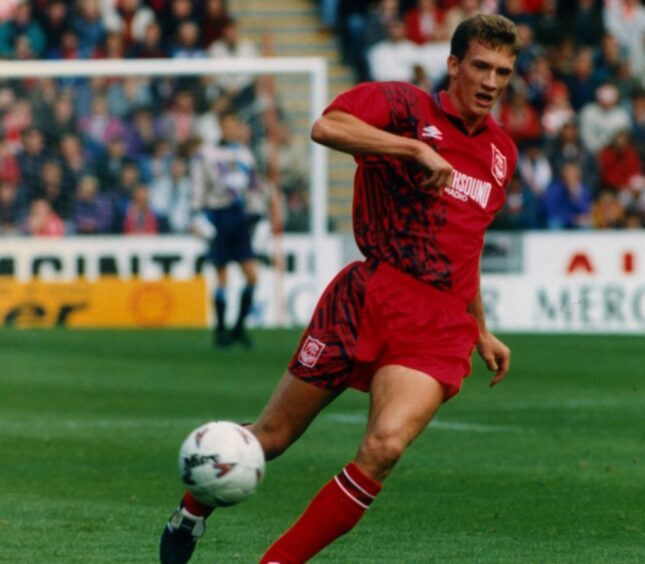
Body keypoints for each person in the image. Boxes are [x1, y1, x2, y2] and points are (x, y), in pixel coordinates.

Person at [160, 14, 519, 563]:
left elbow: (464, 247)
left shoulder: (501, 156)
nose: (491, 82)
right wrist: (410, 150)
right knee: (272, 437)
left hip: (438, 324)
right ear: (453, 65)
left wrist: (482, 329)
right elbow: (327, 127)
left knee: (383, 447)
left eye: (503, 71)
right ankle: (191, 508)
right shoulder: (404, 107)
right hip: (366, 297)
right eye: (481, 66)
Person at [190, 111, 271, 348]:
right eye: (226, 125)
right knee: (222, 276)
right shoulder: (206, 154)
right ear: (220, 127)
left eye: (234, 125)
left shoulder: (245, 155)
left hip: (240, 217)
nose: (230, 129)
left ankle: (239, 327)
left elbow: (254, 187)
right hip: (218, 215)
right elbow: (198, 185)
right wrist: (197, 214)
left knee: (251, 275)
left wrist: (258, 214)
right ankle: (221, 330)